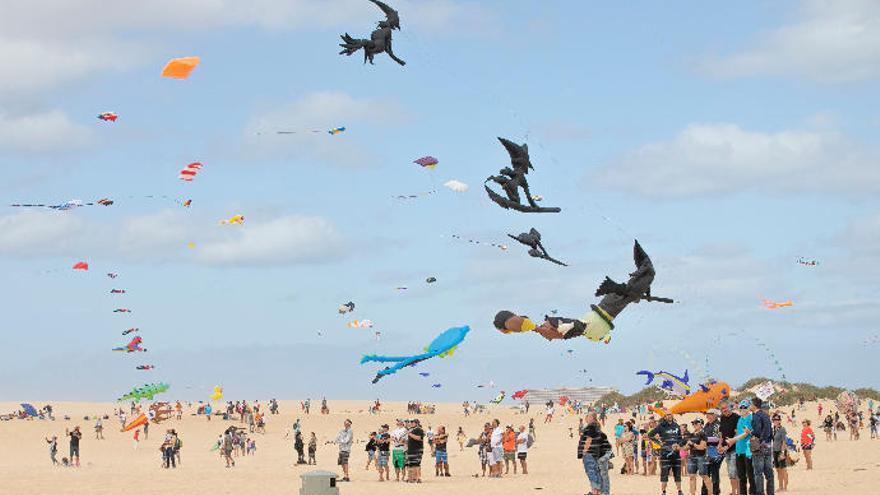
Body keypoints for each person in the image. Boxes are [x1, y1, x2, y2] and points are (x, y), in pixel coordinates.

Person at [648, 410, 685, 495]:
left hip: (676, 453)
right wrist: (658, 442)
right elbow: (650, 435)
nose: (669, 416)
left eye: (670, 414)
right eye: (667, 415)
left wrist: (678, 444)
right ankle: (663, 492)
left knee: (677, 473)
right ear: (665, 416)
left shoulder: (676, 426)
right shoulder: (661, 426)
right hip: (665, 453)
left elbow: (680, 438)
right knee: (664, 474)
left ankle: (679, 491)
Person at [578, 412, 612, 495]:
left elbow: (589, 439)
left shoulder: (591, 426)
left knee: (592, 472)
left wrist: (584, 451)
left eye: (588, 416)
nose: (586, 417)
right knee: (597, 473)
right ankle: (599, 491)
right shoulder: (596, 426)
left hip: (590, 453)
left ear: (591, 418)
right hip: (596, 452)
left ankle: (596, 491)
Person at [727, 400, 754, 495]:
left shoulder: (750, 418)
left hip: (748, 451)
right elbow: (738, 433)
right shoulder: (740, 419)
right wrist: (731, 441)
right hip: (739, 450)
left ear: (748, 408)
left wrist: (733, 440)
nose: (742, 409)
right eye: (741, 407)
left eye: (744, 407)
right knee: (741, 476)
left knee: (750, 475)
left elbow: (745, 434)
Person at [749, 398, 775, 495]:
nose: (749, 406)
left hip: (759, 446)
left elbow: (757, 431)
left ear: (754, 405)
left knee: (758, 474)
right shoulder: (766, 415)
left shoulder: (756, 416)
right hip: (768, 445)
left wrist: (751, 433)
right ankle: (771, 492)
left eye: (750, 404)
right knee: (769, 473)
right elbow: (769, 431)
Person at [718, 402, 740, 495]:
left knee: (734, 471)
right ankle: (734, 491)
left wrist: (727, 446)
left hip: (735, 448)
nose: (724, 410)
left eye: (725, 408)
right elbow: (721, 433)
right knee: (730, 472)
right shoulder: (722, 418)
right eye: (722, 409)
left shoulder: (736, 417)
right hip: (726, 449)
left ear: (729, 407)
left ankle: (737, 492)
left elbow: (737, 434)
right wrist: (719, 444)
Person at [685, 418, 711, 495]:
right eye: (693, 423)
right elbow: (686, 448)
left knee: (704, 476)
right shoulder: (691, 434)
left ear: (701, 424)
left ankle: (710, 493)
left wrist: (692, 444)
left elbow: (701, 447)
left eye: (696, 423)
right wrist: (682, 446)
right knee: (692, 476)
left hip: (701, 457)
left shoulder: (703, 434)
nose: (694, 425)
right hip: (692, 456)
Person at [701, 409, 723, 495]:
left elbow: (717, 439)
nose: (707, 416)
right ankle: (705, 492)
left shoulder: (717, 425)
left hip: (714, 452)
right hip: (707, 452)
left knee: (714, 473)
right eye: (707, 414)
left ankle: (715, 492)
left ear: (715, 415)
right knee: (706, 473)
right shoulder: (707, 425)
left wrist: (704, 443)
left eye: (709, 414)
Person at [771, 414, 788, 492]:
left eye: (777, 419)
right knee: (778, 470)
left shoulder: (782, 429)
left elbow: (784, 441)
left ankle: (785, 487)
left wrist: (783, 452)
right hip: (775, 451)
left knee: (783, 469)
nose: (775, 421)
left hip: (781, 451)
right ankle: (780, 486)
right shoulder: (773, 429)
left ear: (780, 421)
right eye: (774, 420)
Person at [406, 419, 425, 483]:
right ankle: (411, 478)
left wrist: (410, 434)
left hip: (417, 450)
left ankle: (417, 478)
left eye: (412, 422)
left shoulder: (419, 429)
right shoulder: (411, 430)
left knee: (416, 464)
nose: (411, 423)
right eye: (410, 422)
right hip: (411, 450)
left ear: (416, 423)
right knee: (410, 464)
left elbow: (419, 438)